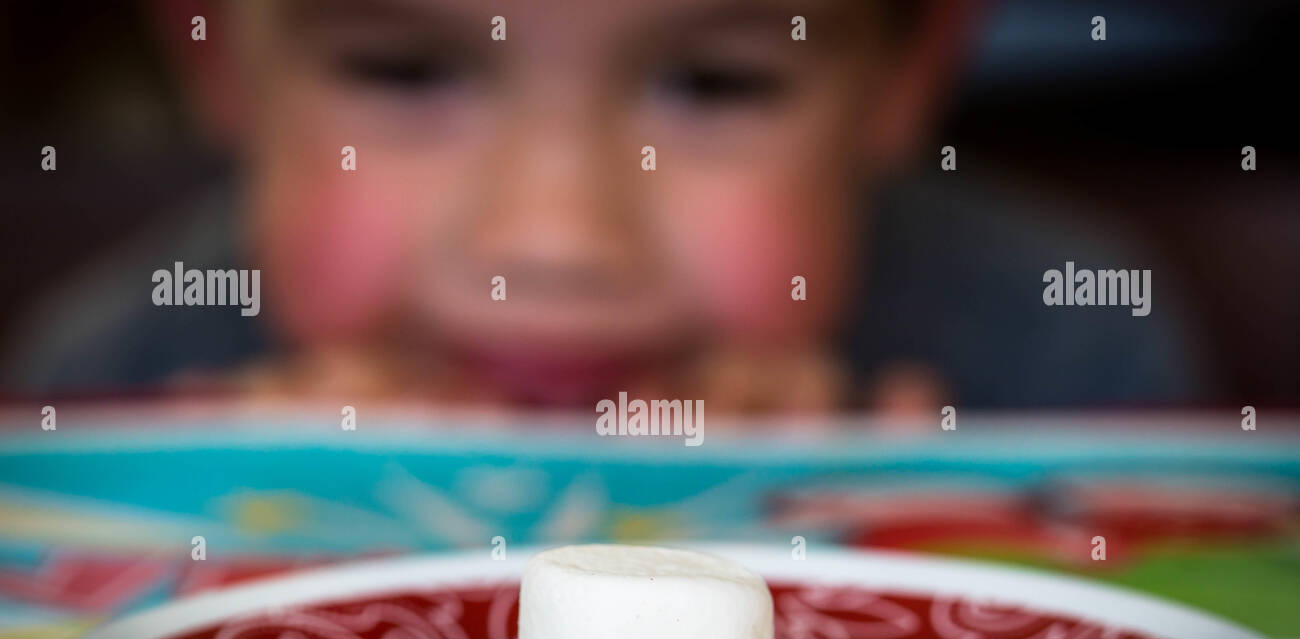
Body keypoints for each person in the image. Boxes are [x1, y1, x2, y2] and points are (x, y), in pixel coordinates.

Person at [4, 0, 1203, 411]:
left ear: (902, 77)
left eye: (713, 83)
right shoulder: (114, 379)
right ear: (215, 60)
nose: (552, 243)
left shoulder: (1065, 344)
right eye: (405, 72)